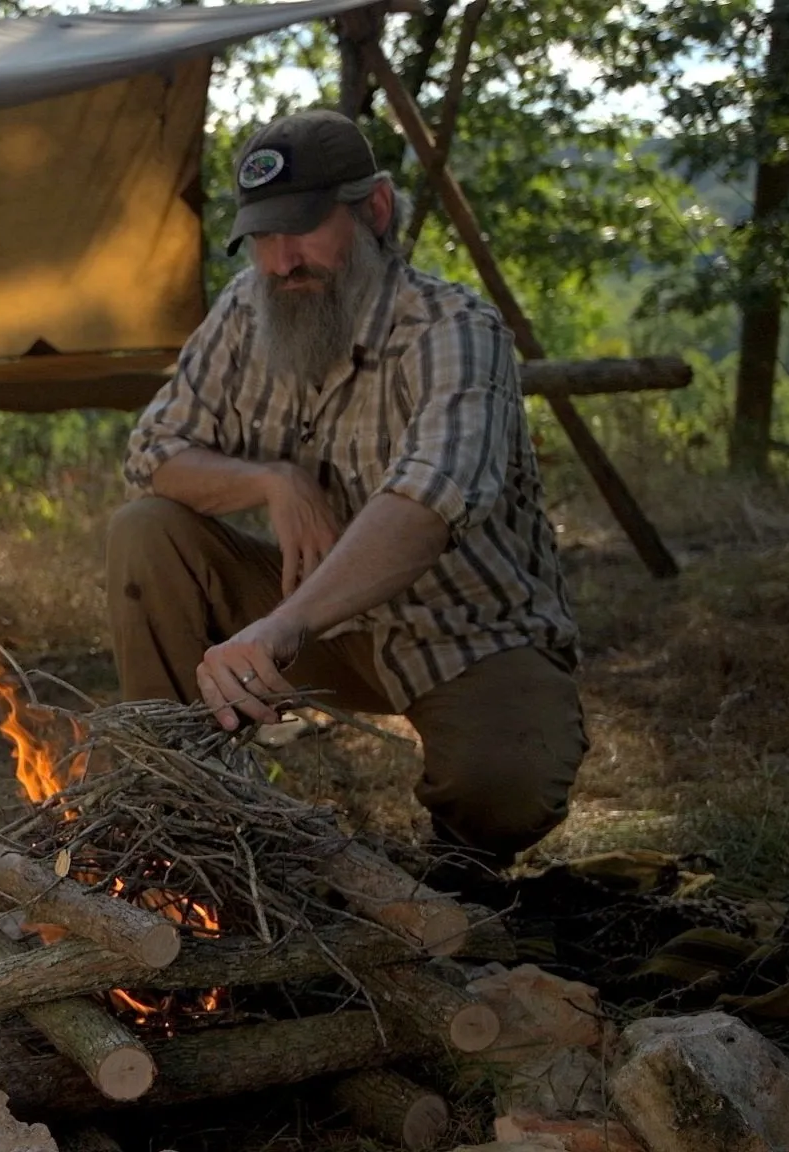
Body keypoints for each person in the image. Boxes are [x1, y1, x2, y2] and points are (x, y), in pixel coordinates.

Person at [106, 108, 586, 882]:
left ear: (377, 210)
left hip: (462, 628)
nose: (281, 260)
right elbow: (153, 455)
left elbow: (425, 506)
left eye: (302, 228)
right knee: (146, 530)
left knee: (505, 788)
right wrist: (271, 480)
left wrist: (284, 625)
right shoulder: (245, 309)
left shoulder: (456, 329)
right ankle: (181, 815)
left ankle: (456, 882)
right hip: (310, 619)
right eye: (262, 236)